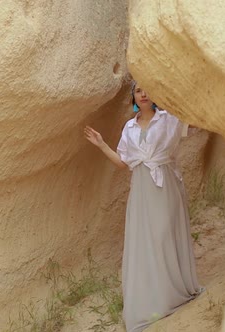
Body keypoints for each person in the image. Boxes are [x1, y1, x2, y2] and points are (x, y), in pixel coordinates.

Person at [84, 82, 204, 332]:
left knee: (163, 235)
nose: (144, 93)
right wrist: (101, 144)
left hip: (165, 185)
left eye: (148, 89)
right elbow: (123, 163)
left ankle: (173, 291)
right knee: (146, 240)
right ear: (135, 97)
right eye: (139, 90)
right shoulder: (129, 127)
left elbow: (196, 122)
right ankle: (154, 296)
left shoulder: (168, 119)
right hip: (140, 190)